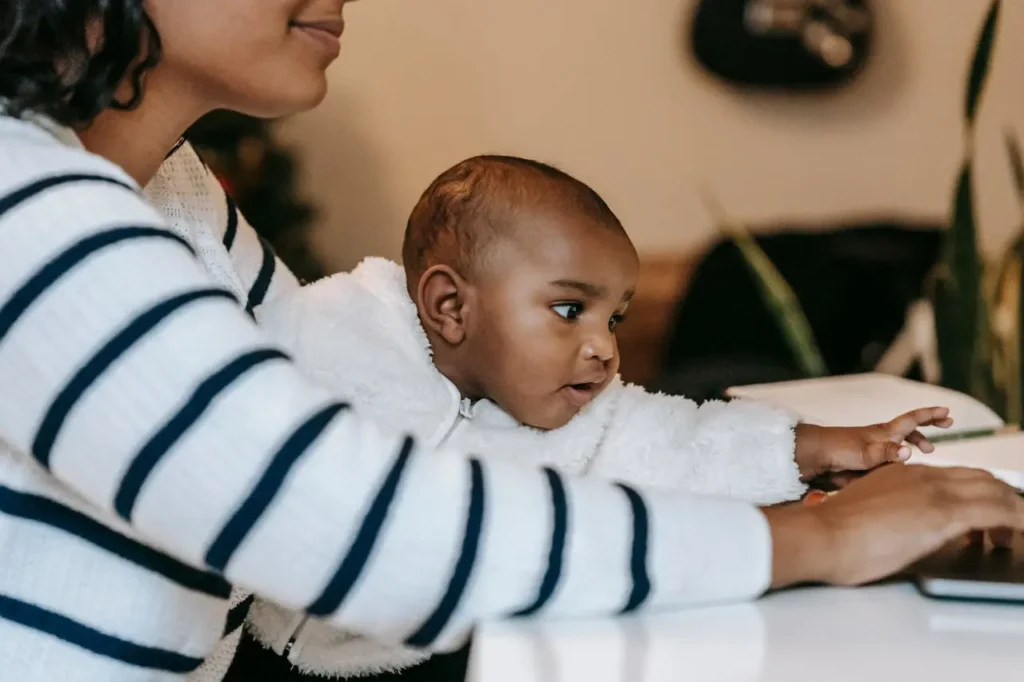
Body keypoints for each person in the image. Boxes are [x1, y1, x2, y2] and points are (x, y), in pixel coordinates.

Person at [0, 3, 1021, 682]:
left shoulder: (170, 196)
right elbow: (350, 518)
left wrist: (781, 462)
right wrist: (817, 541)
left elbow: (363, 412)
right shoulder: (26, 214)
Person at [218, 154, 957, 681]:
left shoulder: (574, 412)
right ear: (450, 306)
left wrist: (817, 447)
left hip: (425, 658)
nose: (604, 347)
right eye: (570, 310)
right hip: (263, 652)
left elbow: (681, 440)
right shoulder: (324, 335)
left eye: (616, 318)